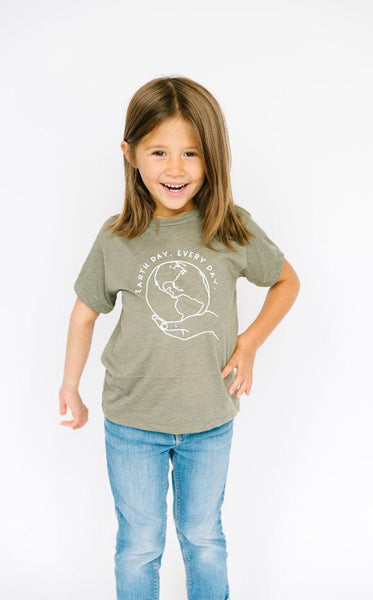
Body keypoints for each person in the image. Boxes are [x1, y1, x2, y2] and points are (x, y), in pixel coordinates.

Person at [58, 75, 300, 600]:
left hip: (209, 420)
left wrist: (249, 343)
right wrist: (70, 386)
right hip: (132, 422)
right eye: (159, 152)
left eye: (191, 153)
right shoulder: (116, 237)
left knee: (204, 537)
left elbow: (286, 281)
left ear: (212, 157)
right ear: (130, 154)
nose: (175, 168)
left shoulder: (231, 227)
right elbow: (83, 316)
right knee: (139, 545)